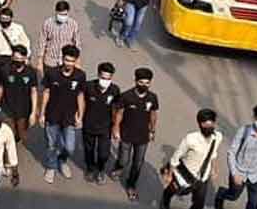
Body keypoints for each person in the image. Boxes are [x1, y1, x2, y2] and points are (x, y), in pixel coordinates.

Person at [214, 104, 257, 209]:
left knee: (253, 205)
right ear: (254, 117)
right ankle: (221, 194)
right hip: (239, 174)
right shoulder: (244, 131)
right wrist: (234, 174)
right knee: (233, 196)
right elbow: (232, 152)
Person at [110, 67, 160, 202]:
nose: (144, 85)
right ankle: (118, 167)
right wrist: (116, 129)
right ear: (136, 81)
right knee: (123, 160)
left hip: (143, 136)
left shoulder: (152, 98)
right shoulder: (126, 96)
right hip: (126, 134)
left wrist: (152, 130)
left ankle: (131, 185)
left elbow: (153, 114)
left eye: (147, 83)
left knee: (138, 164)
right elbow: (119, 113)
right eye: (142, 82)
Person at [39, 44, 85, 184]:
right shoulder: (52, 73)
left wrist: (80, 116)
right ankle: (51, 167)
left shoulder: (80, 75)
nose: (68, 63)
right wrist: (41, 113)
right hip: (52, 115)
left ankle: (63, 160)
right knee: (52, 144)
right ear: (62, 58)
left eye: (72, 61)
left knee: (70, 147)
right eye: (66, 60)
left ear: (76, 61)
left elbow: (80, 95)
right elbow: (46, 93)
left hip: (70, 117)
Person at [161, 108, 224, 209]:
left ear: (214, 123)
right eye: (205, 124)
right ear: (200, 124)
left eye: (210, 124)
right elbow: (175, 158)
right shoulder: (190, 139)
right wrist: (169, 175)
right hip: (185, 175)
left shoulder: (218, 137)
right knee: (172, 191)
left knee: (199, 204)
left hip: (203, 178)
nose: (208, 127)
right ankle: (165, 201)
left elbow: (213, 154)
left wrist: (213, 169)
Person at [81, 62, 119, 184]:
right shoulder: (88, 86)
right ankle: (90, 169)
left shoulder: (115, 90)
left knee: (104, 153)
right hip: (88, 125)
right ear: (98, 75)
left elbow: (116, 109)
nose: (105, 81)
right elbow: (81, 100)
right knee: (89, 150)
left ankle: (101, 169)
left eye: (108, 78)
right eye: (103, 77)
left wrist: (115, 127)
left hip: (105, 127)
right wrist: (79, 117)